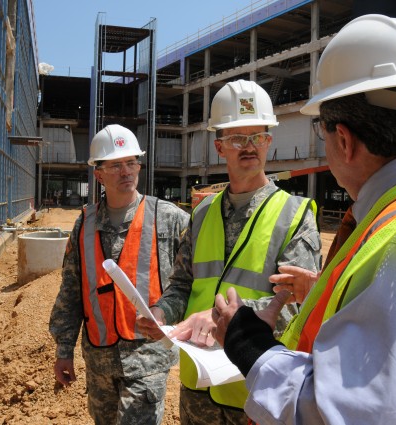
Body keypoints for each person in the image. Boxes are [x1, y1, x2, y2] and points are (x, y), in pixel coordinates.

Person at [211, 14, 396, 425]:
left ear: (343, 140)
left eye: (321, 131)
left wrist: (248, 345)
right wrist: (328, 293)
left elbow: (345, 415)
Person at [137, 80, 322, 424]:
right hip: (198, 391)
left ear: (269, 142)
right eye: (238, 138)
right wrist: (162, 313)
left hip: (254, 392)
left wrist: (226, 319)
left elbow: (298, 307)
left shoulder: (295, 215)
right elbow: (183, 285)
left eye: (258, 137)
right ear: (220, 147)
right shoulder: (203, 213)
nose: (249, 147)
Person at [49, 124, 190, 425]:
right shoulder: (84, 224)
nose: (126, 171)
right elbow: (71, 292)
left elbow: (193, 280)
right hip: (99, 361)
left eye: (131, 162)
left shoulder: (169, 218)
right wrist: (64, 350)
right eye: (115, 165)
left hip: (148, 361)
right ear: (98, 174)